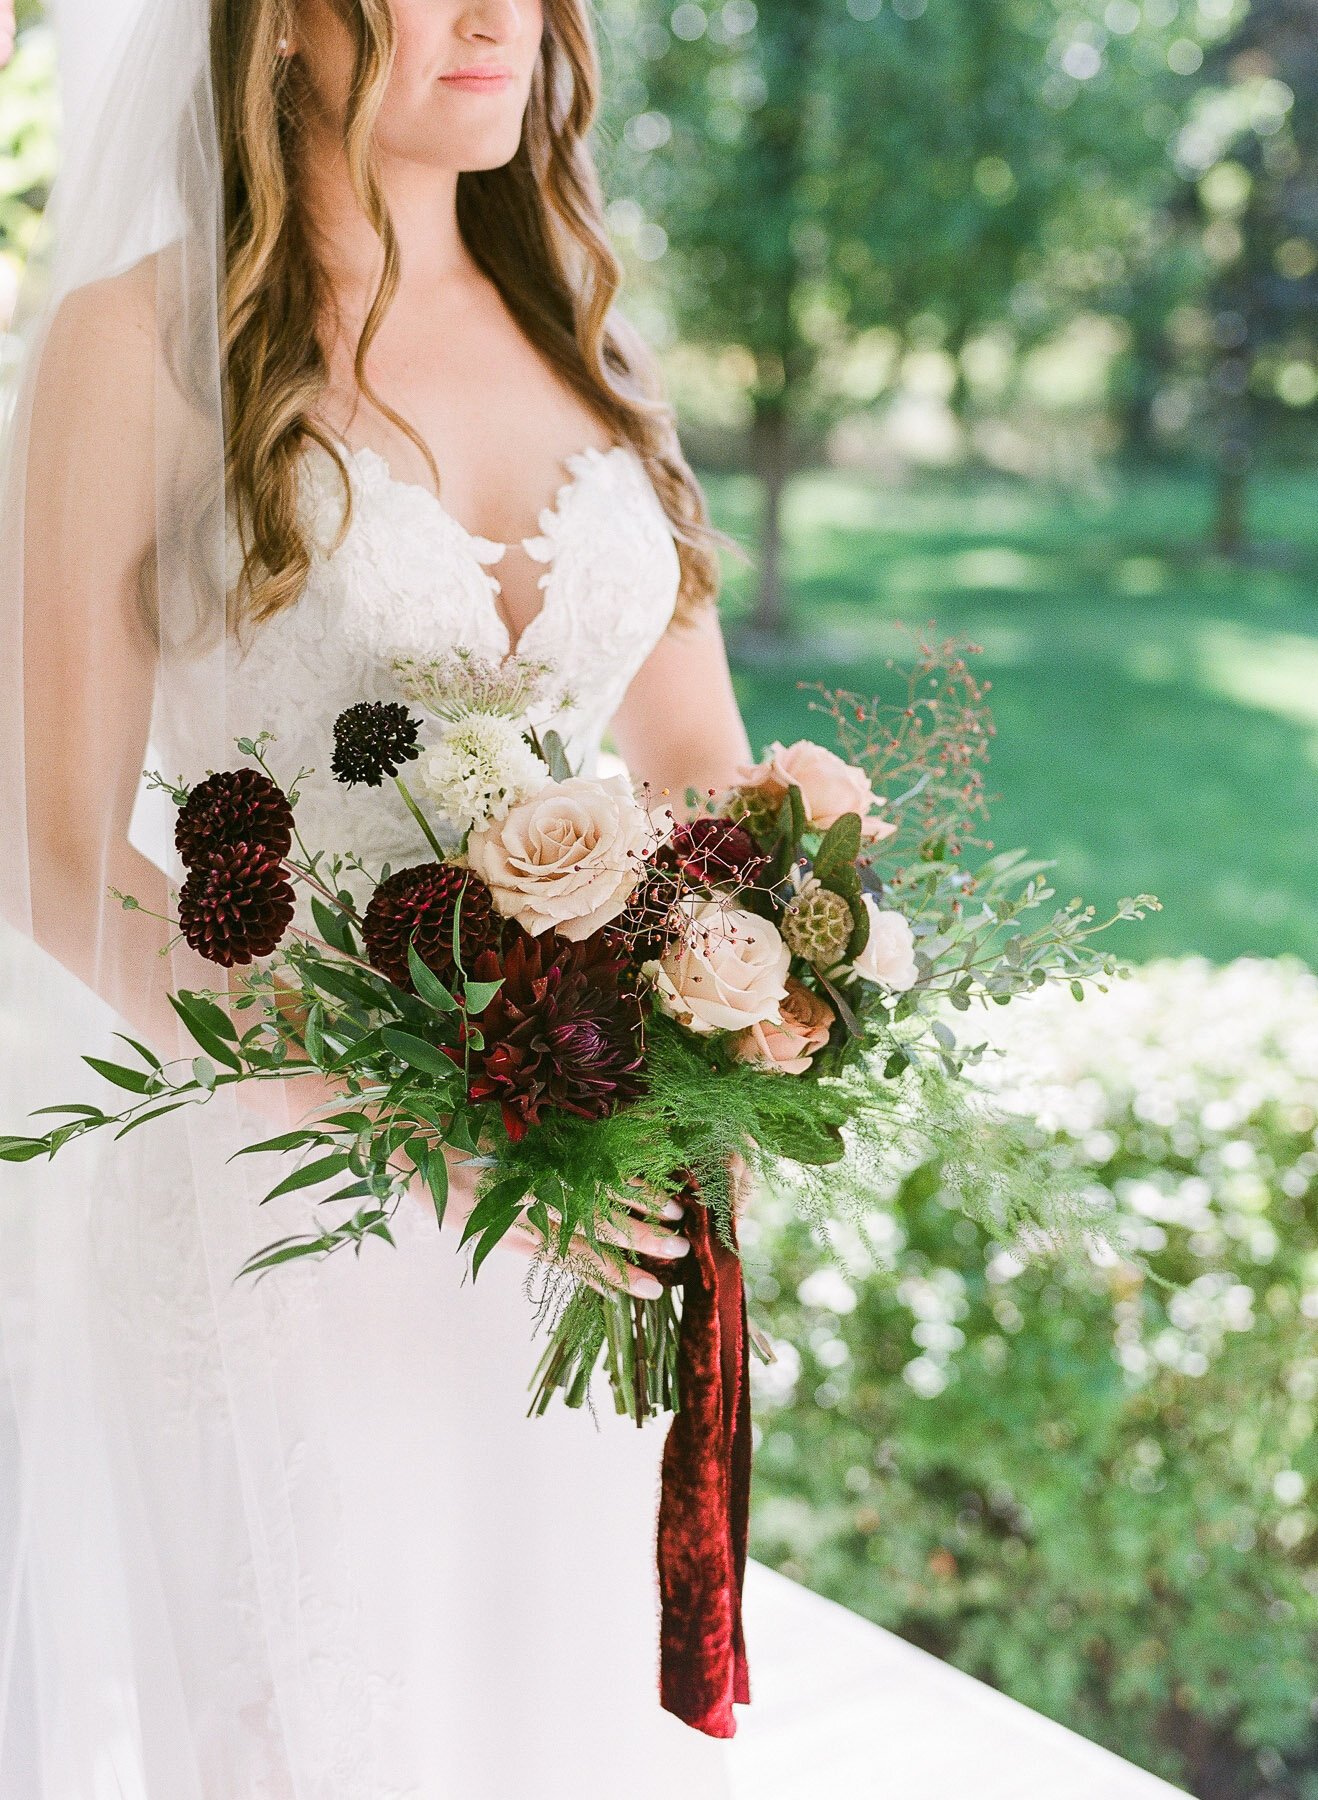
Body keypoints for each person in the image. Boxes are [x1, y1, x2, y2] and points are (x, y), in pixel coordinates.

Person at [0, 2, 748, 1793]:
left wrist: (770, 976)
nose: (498, 16)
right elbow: (57, 859)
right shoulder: (144, 346)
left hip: (571, 1221)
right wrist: (395, 1111)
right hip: (282, 1200)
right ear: (276, 31)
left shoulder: (588, 340)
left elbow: (704, 776)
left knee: (537, 1728)